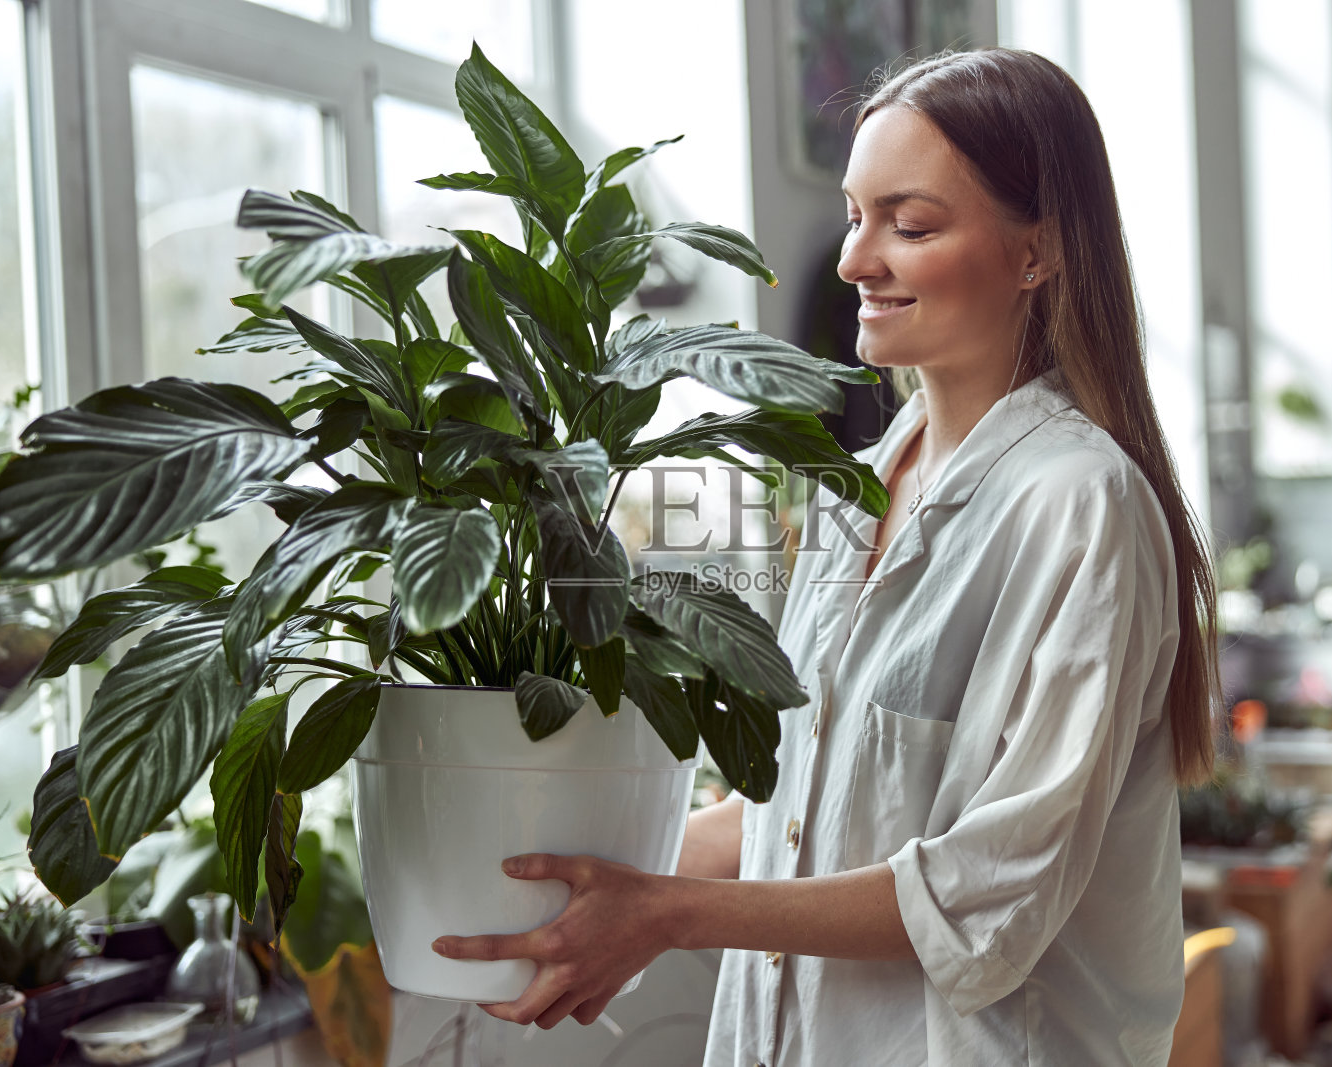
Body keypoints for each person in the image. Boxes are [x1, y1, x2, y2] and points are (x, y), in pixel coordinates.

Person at [429, 47, 1221, 1066]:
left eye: (911, 223)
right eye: (855, 215)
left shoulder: (1080, 506)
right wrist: (570, 903)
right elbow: (786, 806)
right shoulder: (851, 491)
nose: (854, 260)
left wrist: (664, 913)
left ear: (1037, 251)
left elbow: (987, 898)